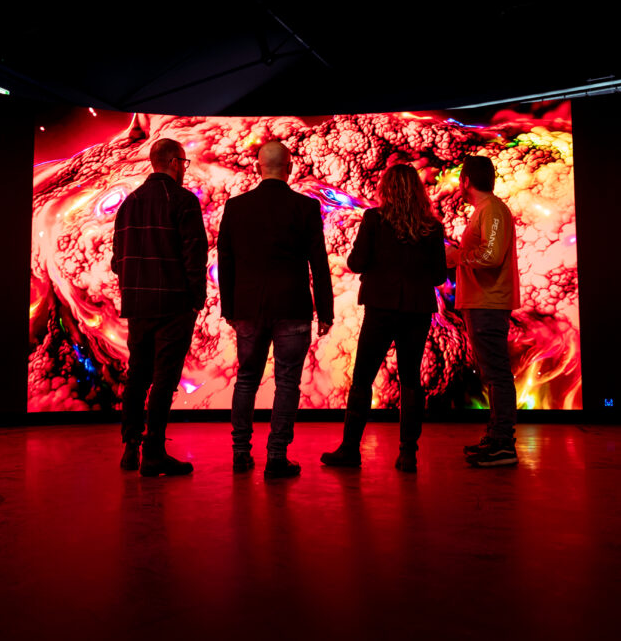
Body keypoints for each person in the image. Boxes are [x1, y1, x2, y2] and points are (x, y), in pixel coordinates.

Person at [217, 141, 334, 479]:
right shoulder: (305, 207)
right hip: (293, 306)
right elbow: (319, 264)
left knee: (246, 380)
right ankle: (277, 457)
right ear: (290, 167)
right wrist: (324, 311)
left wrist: (230, 307)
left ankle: (241, 453)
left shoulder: (236, 207)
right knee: (287, 383)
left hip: (249, 308)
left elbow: (226, 260)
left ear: (258, 167)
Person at [320, 163, 446, 472]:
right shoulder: (432, 226)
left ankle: (350, 450)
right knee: (411, 381)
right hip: (417, 309)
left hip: (381, 307)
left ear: (385, 189)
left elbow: (358, 262)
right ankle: (408, 454)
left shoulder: (374, 219)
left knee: (362, 379)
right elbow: (439, 277)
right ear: (417, 190)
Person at [111, 138, 206, 476]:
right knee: (164, 379)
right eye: (183, 162)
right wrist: (196, 300)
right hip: (173, 305)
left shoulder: (128, 204)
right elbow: (195, 256)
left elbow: (116, 260)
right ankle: (153, 452)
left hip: (137, 304)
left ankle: (130, 444)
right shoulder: (183, 201)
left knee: (138, 375)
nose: (184, 168)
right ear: (172, 162)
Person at [446, 155, 520, 467]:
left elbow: (490, 256)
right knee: (493, 374)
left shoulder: (492, 210)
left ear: (466, 181)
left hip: (487, 303)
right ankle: (496, 436)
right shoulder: (487, 211)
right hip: (481, 302)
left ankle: (503, 442)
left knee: (497, 374)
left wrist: (456, 255)